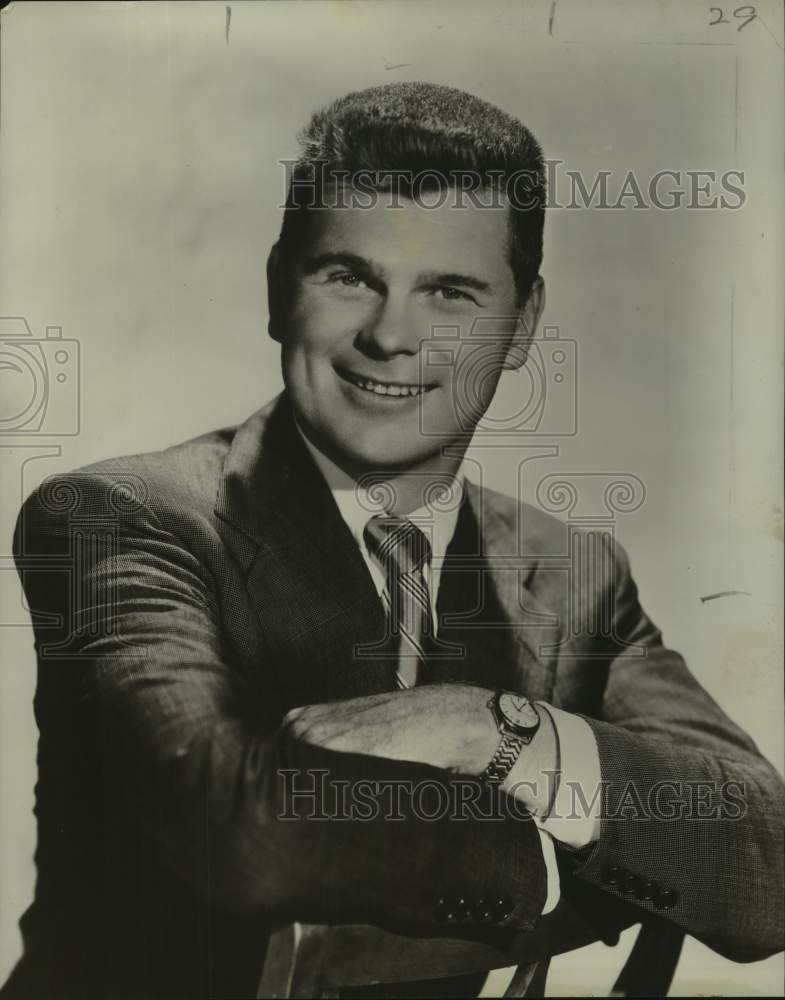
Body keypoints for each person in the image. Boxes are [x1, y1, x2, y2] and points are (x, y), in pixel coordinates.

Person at [4, 82, 783, 1000]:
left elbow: (765, 859)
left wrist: (489, 728)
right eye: (348, 275)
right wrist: (570, 841)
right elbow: (241, 831)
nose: (390, 334)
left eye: (449, 291)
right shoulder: (123, 516)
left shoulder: (570, 575)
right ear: (275, 288)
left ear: (523, 324)